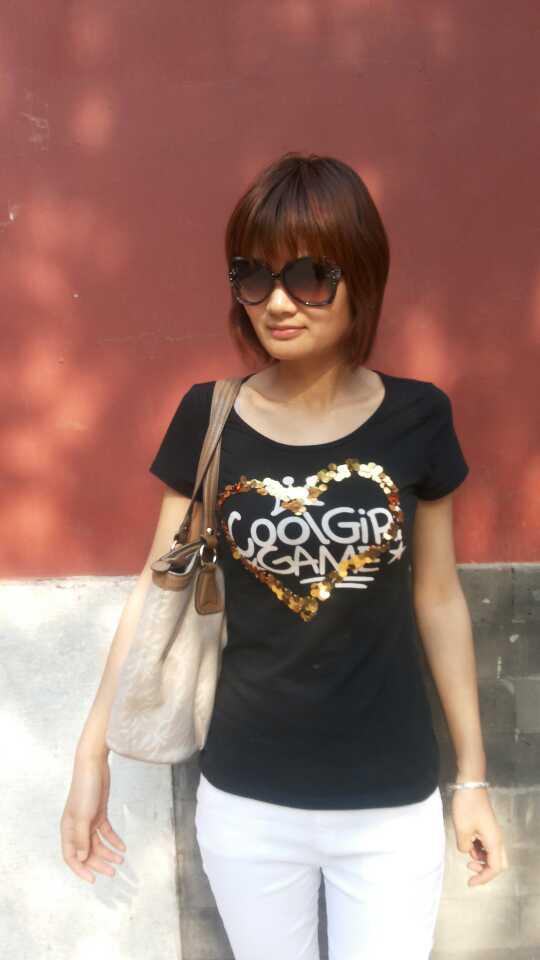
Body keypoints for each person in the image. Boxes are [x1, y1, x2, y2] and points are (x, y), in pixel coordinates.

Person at [61, 152, 508, 958]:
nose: (277, 301)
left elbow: (438, 599)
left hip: (389, 802)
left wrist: (471, 779)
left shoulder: (418, 417)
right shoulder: (209, 417)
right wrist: (92, 750)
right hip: (248, 799)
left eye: (309, 276)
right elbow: (155, 591)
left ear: (360, 276)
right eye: (254, 276)